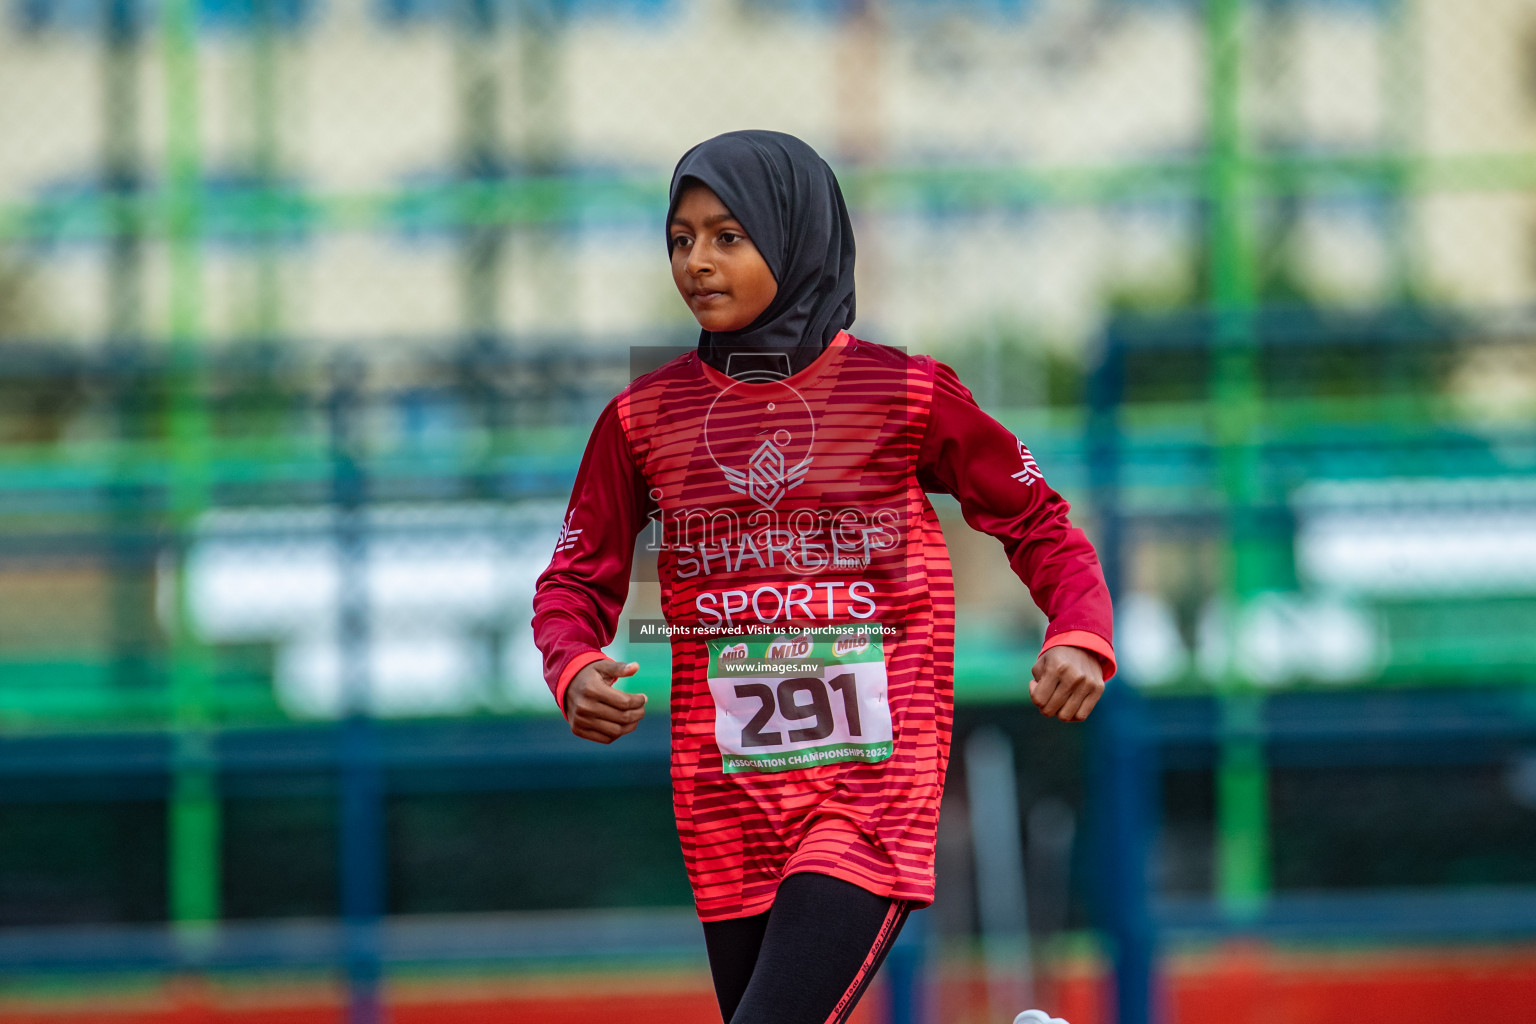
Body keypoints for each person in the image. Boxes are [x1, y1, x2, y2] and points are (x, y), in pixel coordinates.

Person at [532, 129, 1113, 1024]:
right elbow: (573, 581)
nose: (697, 261)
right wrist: (571, 666)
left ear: (795, 234)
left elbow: (1038, 519)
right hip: (723, 801)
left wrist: (1079, 627)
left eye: (728, 235)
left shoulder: (905, 393)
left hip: (869, 787)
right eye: (680, 239)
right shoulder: (641, 418)